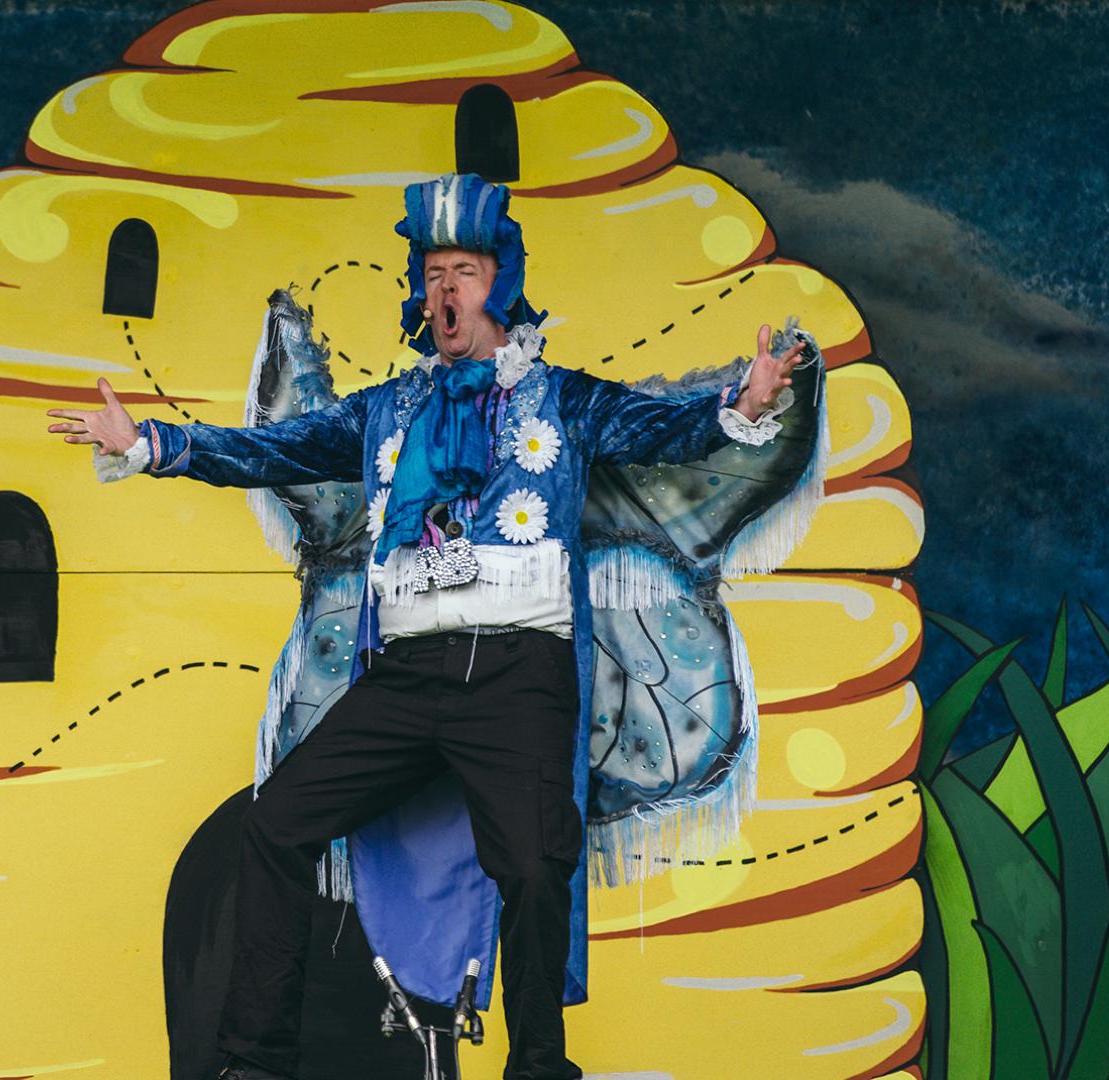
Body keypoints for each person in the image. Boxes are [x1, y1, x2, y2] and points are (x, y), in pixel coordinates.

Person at [47, 172, 809, 1080]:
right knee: (277, 822)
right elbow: (271, 451)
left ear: (502, 282)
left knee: (533, 865)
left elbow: (666, 428)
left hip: (518, 672)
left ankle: (536, 1067)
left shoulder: (561, 401)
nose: (446, 289)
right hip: (408, 676)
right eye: (433, 271)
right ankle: (254, 1063)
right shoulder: (386, 413)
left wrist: (750, 400)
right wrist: (152, 445)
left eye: (466, 270)